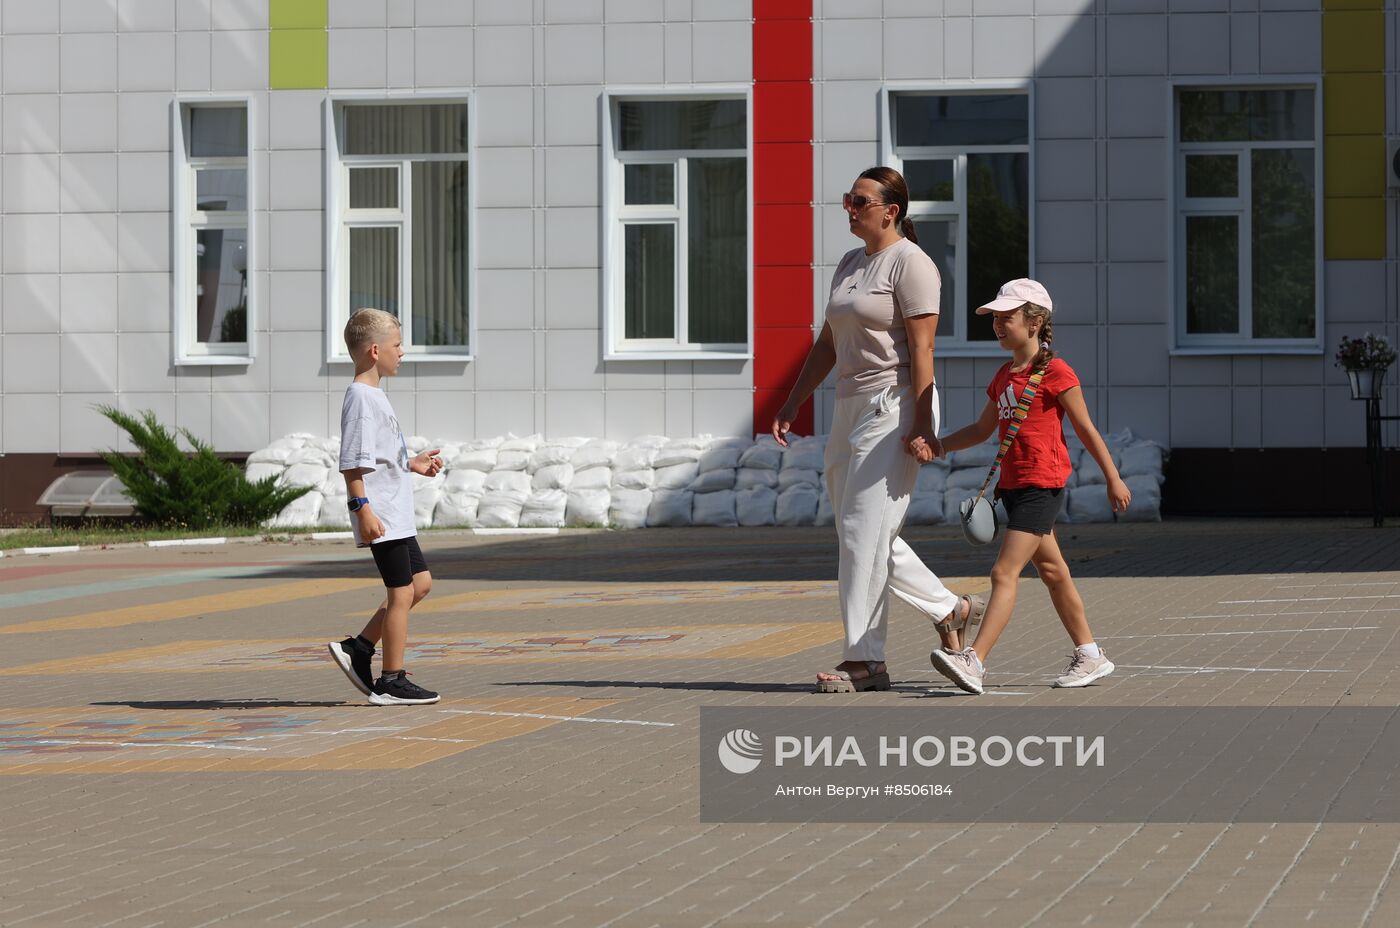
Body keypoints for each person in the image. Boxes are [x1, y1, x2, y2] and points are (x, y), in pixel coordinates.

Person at [773, 167, 985, 694]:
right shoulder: (850, 262)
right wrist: (793, 401)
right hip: (849, 408)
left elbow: (923, 351)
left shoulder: (912, 264)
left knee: (863, 532)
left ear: (891, 211)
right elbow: (826, 344)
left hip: (895, 406)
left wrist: (921, 422)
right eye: (848, 198)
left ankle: (866, 661)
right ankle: (949, 608)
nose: (850, 207)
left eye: (860, 201)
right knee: (860, 530)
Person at [918, 279, 1130, 695]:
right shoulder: (1003, 376)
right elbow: (983, 429)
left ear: (1034, 323)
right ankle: (1090, 654)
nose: (998, 325)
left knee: (1003, 572)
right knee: (1053, 572)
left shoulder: (1057, 372)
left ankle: (973, 661)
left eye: (1006, 317)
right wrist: (939, 445)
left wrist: (1113, 477)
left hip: (1042, 484)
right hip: (1011, 487)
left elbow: (1085, 429)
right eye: (995, 318)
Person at [326, 308, 444, 706]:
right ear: (375, 350)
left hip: (396, 512)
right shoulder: (360, 398)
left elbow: (379, 455)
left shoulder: (374, 396)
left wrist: (411, 464)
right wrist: (363, 509)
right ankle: (391, 680)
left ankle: (359, 648)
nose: (402, 352)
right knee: (399, 593)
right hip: (382, 516)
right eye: (397, 345)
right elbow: (352, 462)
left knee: (420, 585)